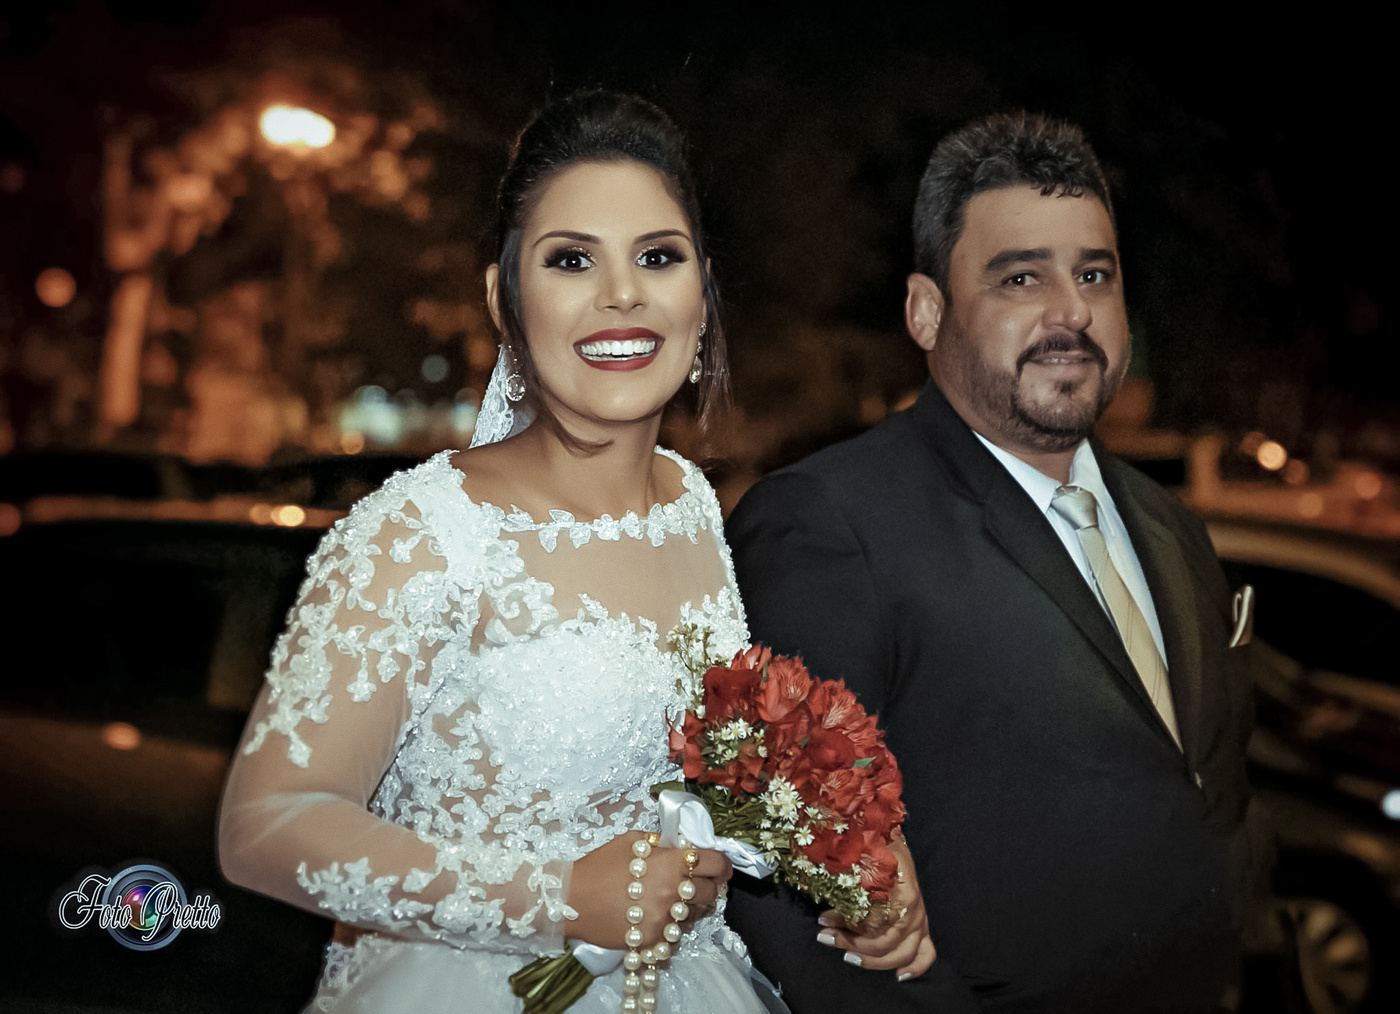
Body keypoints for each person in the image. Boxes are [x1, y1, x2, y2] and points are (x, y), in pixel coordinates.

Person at [218, 90, 931, 1014]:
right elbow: (266, 827)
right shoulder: (422, 534)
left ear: (702, 296)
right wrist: (559, 898)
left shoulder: (690, 507)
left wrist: (851, 846)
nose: (622, 293)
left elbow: (704, 760)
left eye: (658, 257)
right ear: (504, 298)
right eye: (570, 259)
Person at [724, 112, 1255, 1013]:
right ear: (926, 312)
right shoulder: (828, 523)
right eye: (1021, 277)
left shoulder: (1175, 528)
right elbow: (788, 889)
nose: (1071, 311)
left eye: (1095, 274)